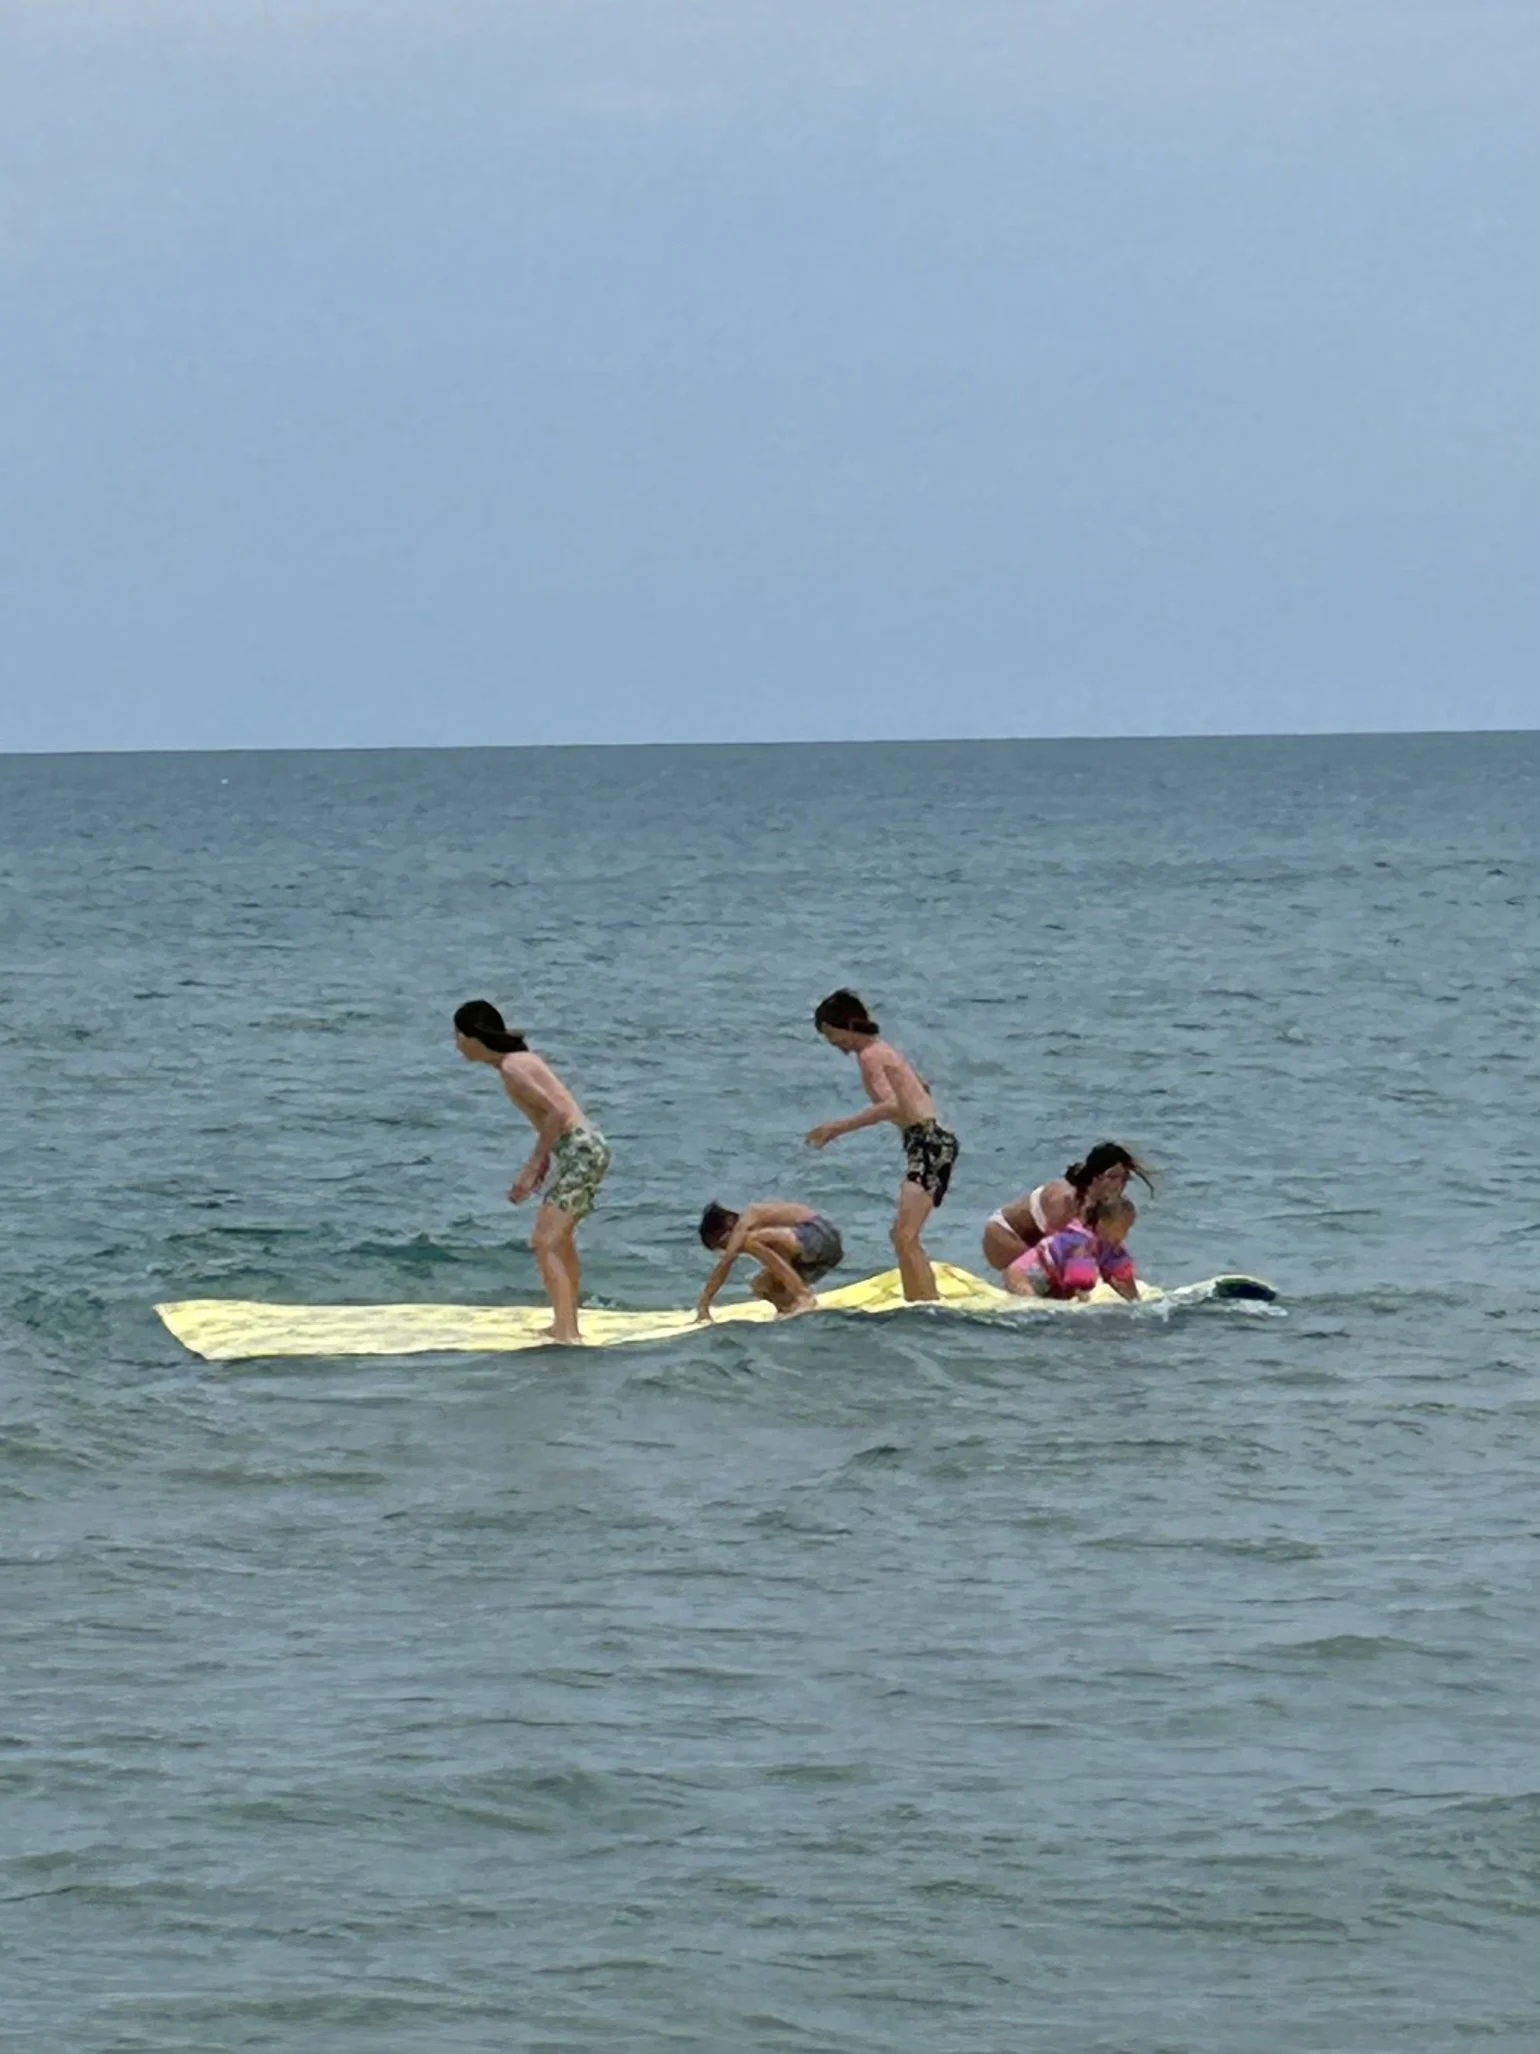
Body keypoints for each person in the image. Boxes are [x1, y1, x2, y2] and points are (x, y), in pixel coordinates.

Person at [452, 999, 611, 1344]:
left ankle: (567, 1332)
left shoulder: (513, 1066)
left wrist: (533, 1165)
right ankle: (565, 1324)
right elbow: (555, 1117)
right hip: (582, 1148)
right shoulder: (516, 1062)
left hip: (580, 1150)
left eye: (458, 1035)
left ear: (473, 1037)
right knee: (559, 1240)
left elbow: (556, 1115)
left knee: (545, 1242)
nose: (457, 1044)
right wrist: (547, 1160)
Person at [805, 988, 958, 1303]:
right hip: (929, 1141)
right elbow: (921, 1086)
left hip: (927, 1142)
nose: (833, 1043)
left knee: (905, 1236)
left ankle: (925, 1304)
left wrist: (837, 1128)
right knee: (904, 1236)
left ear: (847, 1025)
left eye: (832, 1035)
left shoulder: (870, 1055)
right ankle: (922, 1299)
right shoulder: (885, 1050)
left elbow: (892, 1104)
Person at [982, 1141, 1155, 1275]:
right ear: (1096, 1177)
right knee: (1050, 1280)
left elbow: (1110, 1246)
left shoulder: (1113, 1207)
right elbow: (1058, 1251)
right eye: (1113, 1177)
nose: (1120, 1185)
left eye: (1124, 1178)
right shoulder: (1064, 1199)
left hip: (1040, 1244)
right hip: (1005, 1234)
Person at [694, 1200, 845, 1322]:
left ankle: (803, 1295)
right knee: (762, 1286)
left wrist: (704, 1303)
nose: (726, 1248)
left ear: (730, 1222)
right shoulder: (766, 1236)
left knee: (750, 1241)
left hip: (820, 1236)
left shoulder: (748, 1218)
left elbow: (726, 1262)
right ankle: (790, 1308)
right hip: (818, 1258)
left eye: (723, 1244)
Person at [1003, 1193, 1140, 1301]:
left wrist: (1136, 1301)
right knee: (1033, 1300)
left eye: (1128, 1228)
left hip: (1052, 1282)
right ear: (1102, 1223)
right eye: (1120, 1228)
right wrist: (1087, 1302)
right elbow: (1079, 1286)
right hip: (1024, 1275)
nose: (1125, 1234)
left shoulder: (1110, 1246)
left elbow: (1124, 1280)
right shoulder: (1079, 1243)